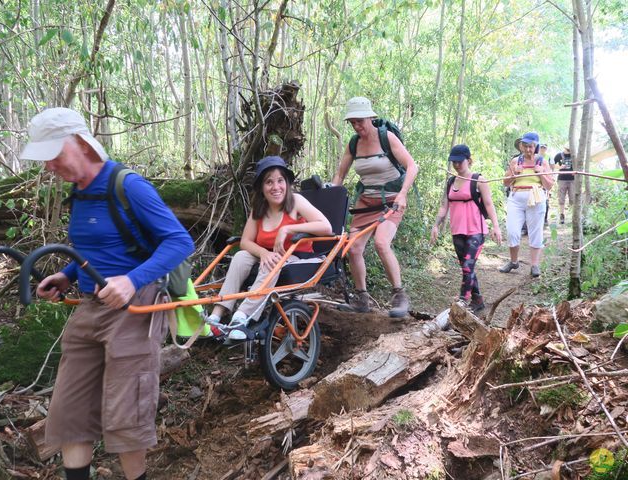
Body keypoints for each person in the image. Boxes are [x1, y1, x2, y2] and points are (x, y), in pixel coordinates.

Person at [21, 108, 195, 480]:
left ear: (82, 144)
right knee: (70, 411)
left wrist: (131, 280)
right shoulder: (79, 193)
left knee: (126, 415)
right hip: (89, 307)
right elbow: (97, 251)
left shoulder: (126, 185)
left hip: (136, 307)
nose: (50, 165)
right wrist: (67, 276)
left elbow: (180, 241)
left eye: (55, 154)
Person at [206, 156, 332, 340]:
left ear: (287, 183)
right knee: (241, 256)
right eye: (269, 182)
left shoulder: (296, 201)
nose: (276, 187)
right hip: (270, 257)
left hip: (298, 257)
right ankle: (217, 316)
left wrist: (288, 228)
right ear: (262, 188)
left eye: (280, 180)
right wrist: (263, 252)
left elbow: (326, 227)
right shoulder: (259, 209)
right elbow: (246, 242)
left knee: (272, 261)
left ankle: (242, 317)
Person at [332, 96, 419, 317]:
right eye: (353, 122)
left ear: (371, 117)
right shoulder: (354, 143)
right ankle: (362, 298)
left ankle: (400, 295)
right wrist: (331, 197)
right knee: (353, 248)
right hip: (366, 203)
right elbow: (340, 174)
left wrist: (403, 194)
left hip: (391, 201)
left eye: (360, 121)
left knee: (381, 243)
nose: (357, 126)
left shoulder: (386, 138)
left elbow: (412, 166)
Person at [430, 145, 502, 312]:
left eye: (459, 161)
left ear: (468, 160)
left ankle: (464, 300)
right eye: (453, 162)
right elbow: (444, 206)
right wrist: (436, 225)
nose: (456, 165)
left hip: (476, 230)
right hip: (457, 231)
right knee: (466, 267)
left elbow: (489, 205)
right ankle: (478, 300)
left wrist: (496, 227)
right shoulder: (450, 182)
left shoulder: (478, 180)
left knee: (468, 266)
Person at [499, 132, 554, 277]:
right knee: (512, 231)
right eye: (525, 146)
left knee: (536, 232)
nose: (528, 149)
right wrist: (513, 175)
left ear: (535, 146)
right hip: (516, 198)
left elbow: (549, 186)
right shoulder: (515, 161)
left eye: (531, 146)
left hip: (536, 198)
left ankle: (534, 265)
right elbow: (505, 182)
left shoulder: (542, 162)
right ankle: (513, 261)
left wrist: (541, 173)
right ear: (521, 146)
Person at [553, 146, 574, 224]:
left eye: (570, 150)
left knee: (572, 198)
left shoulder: (574, 155)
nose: (568, 151)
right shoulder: (559, 155)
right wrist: (560, 166)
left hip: (573, 180)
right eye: (567, 149)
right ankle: (562, 215)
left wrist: (576, 172)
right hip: (562, 179)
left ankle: (573, 216)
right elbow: (552, 165)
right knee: (561, 198)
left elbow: (580, 165)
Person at [538, 144, 554, 226]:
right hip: (537, 180)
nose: (543, 149)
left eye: (544, 148)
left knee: (545, 199)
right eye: (541, 147)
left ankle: (545, 219)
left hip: (546, 179)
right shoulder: (535, 156)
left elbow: (552, 168)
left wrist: (550, 178)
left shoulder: (549, 157)